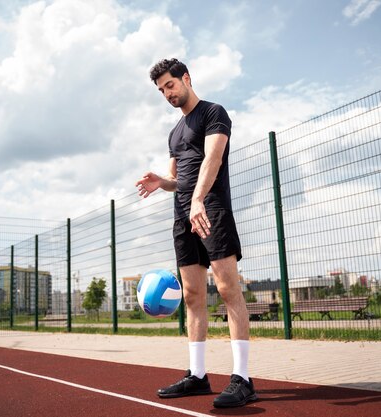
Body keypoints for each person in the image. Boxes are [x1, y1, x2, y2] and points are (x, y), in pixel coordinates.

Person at [136, 58, 257, 408]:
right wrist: (164, 182)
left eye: (170, 85)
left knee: (227, 289)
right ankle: (199, 375)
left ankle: (243, 379)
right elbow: (179, 179)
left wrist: (200, 200)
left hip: (211, 209)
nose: (167, 93)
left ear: (186, 78)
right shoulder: (174, 133)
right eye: (161, 90)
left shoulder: (213, 113)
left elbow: (212, 159)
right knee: (191, 295)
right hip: (183, 215)